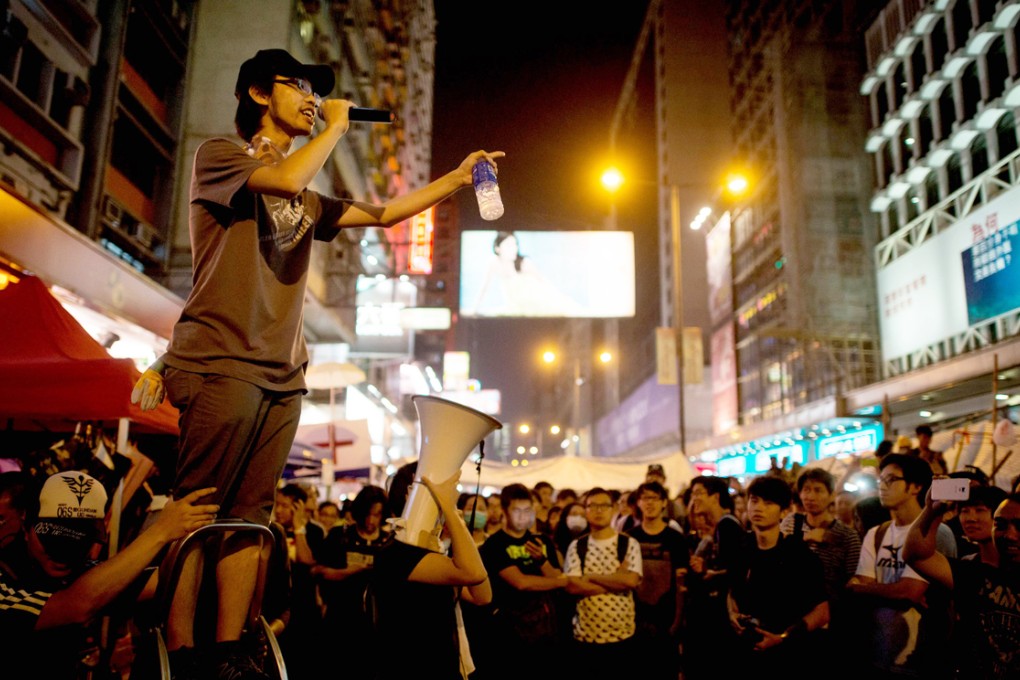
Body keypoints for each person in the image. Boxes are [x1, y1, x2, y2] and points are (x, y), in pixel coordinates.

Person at [128, 46, 504, 678]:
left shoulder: (304, 198)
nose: (310, 97)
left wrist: (459, 179)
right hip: (221, 357)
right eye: (296, 86)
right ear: (257, 96)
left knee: (250, 518)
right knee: (195, 511)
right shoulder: (221, 156)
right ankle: (181, 648)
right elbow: (281, 178)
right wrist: (333, 126)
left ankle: (227, 651)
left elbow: (384, 214)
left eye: (316, 91)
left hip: (283, 372)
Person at [0, 471, 217, 678]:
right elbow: (77, 605)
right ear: (26, 528)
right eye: (53, 543)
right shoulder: (4, 581)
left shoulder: (70, 573)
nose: (61, 557)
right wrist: (161, 531)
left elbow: (163, 580)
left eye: (74, 546)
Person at [371, 463, 491, 680]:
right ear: (411, 496)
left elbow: (481, 595)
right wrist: (450, 511)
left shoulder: (433, 550)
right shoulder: (395, 553)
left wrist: (456, 524)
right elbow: (473, 573)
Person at [845, 453, 956, 679]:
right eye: (880, 481)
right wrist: (867, 589)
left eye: (891, 480)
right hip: (879, 653)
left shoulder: (936, 533)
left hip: (923, 657)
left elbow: (909, 592)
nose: (882, 487)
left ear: (915, 487)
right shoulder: (877, 533)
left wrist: (864, 588)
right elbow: (857, 587)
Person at [905, 487, 1020, 677]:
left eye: (1019, 526)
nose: (1009, 535)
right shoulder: (973, 572)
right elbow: (916, 555)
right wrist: (931, 511)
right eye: (1000, 525)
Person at [727, 476, 829, 674]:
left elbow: (822, 611)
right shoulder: (741, 549)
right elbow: (732, 590)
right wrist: (732, 612)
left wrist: (783, 637)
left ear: (783, 511)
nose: (758, 508)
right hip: (745, 655)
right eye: (754, 500)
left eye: (768, 503)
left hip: (789, 658)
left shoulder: (800, 556)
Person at [478, 483, 567, 679]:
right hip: (509, 631)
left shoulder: (541, 541)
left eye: (527, 511)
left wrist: (542, 561)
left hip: (544, 629)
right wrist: (563, 582)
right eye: (516, 511)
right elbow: (521, 582)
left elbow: (555, 575)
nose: (523, 516)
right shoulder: (493, 545)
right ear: (504, 511)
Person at [312, 484, 390, 680]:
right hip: (340, 619)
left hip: (375, 624)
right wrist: (350, 572)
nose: (371, 520)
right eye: (367, 514)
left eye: (377, 515)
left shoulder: (388, 543)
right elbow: (318, 571)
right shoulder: (340, 536)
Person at [563, 487, 642, 676]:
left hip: (623, 636)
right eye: (593, 506)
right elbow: (573, 586)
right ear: (586, 510)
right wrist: (616, 581)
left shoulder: (628, 543)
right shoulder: (577, 546)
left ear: (613, 509)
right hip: (586, 637)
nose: (598, 510)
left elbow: (631, 581)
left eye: (604, 506)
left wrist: (591, 577)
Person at [628, 481, 689, 680]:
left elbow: (681, 583)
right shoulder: (630, 539)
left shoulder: (676, 539)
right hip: (635, 617)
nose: (649, 503)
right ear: (638, 502)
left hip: (666, 616)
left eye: (654, 498)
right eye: (645, 498)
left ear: (664, 503)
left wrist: (678, 620)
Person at [465, 231, 581, 317]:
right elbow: (484, 288)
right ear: (497, 248)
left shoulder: (524, 263)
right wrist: (474, 309)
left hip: (534, 302)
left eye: (515, 245)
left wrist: (559, 297)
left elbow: (543, 281)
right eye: (509, 245)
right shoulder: (494, 262)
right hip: (515, 306)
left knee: (563, 310)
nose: (514, 249)